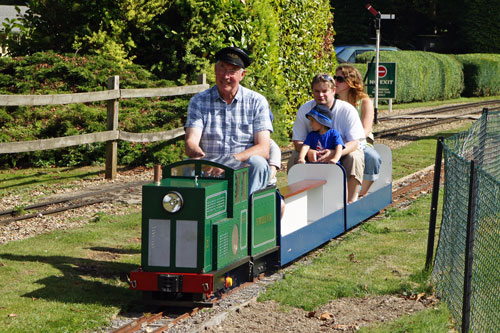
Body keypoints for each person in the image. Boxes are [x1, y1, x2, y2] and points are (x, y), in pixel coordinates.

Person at [184, 46, 273, 195]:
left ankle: (247, 213)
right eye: (222, 68)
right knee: (186, 168)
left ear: (242, 75)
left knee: (258, 163)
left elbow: (263, 148)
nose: (225, 76)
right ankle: (189, 214)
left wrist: (229, 162)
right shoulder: (198, 101)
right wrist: (198, 154)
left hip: (244, 166)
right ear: (214, 69)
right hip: (209, 167)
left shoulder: (257, 101)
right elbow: (191, 141)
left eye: (232, 71)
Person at [289, 73, 365, 203]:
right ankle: (299, 201)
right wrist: (308, 152)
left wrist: (335, 153)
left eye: (325, 91)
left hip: (343, 151)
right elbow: (298, 141)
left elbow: (355, 142)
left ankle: (351, 201)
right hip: (314, 151)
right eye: (317, 91)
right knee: (295, 158)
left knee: (354, 158)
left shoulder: (347, 110)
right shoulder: (305, 109)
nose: (321, 95)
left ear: (333, 91)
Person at [334, 65, 382, 198]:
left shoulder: (364, 101)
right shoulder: (332, 101)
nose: (335, 82)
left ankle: (361, 192)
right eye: (334, 78)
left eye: (339, 79)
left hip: (361, 142)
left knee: (372, 157)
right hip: (338, 142)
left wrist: (351, 143)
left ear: (351, 82)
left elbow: (365, 131)